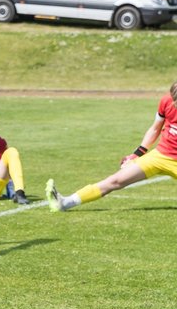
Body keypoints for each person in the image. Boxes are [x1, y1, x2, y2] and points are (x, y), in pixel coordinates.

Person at [48, 81, 177, 212]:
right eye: (174, 102)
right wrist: (136, 154)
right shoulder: (167, 100)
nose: (174, 105)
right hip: (160, 156)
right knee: (116, 180)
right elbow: (155, 129)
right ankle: (64, 203)